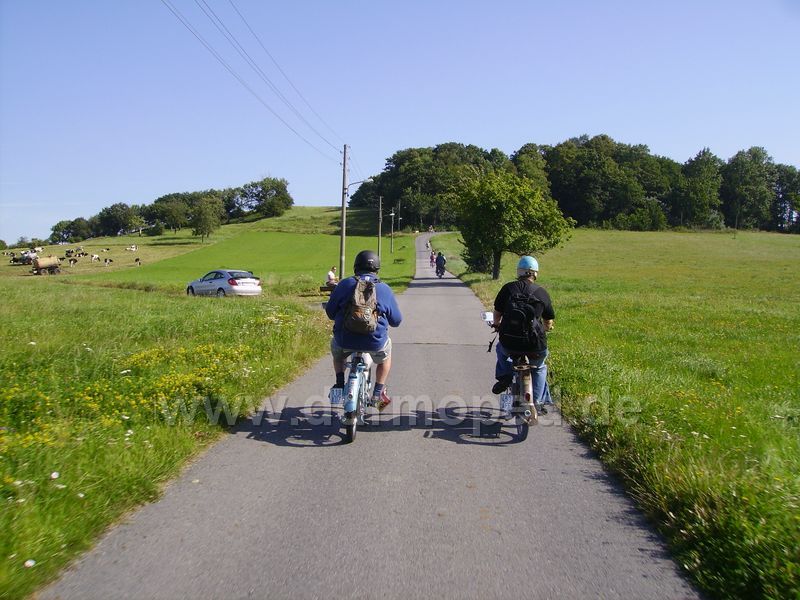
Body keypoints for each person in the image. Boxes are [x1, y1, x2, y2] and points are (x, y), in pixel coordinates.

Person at [325, 250, 402, 410]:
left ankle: (339, 384)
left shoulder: (344, 284)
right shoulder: (384, 288)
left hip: (344, 340)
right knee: (386, 358)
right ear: (377, 269)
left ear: (356, 266)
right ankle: (378, 394)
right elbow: (396, 321)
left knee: (338, 354)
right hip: (375, 342)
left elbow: (330, 313)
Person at [491, 256, 555, 408]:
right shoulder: (542, 293)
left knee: (501, 349)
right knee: (539, 368)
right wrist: (546, 328)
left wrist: (497, 324)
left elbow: (497, 313)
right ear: (535, 273)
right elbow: (548, 321)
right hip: (534, 344)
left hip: (510, 342)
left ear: (519, 272)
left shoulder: (508, 288)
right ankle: (538, 402)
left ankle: (505, 376)